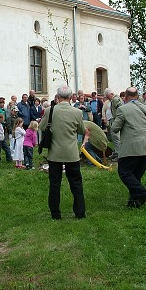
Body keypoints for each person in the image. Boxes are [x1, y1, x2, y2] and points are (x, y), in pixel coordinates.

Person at [39, 84, 88, 220]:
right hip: (71, 153)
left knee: (55, 184)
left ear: (58, 97)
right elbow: (81, 131)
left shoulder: (50, 110)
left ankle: (55, 214)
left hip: (55, 153)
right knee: (76, 183)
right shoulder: (77, 112)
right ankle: (80, 212)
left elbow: (42, 127)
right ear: (71, 97)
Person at [111, 87, 146, 208]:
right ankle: (134, 202)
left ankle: (142, 193)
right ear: (137, 96)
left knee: (124, 172)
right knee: (136, 175)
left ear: (125, 96)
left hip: (132, 147)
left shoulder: (123, 109)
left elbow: (115, 128)